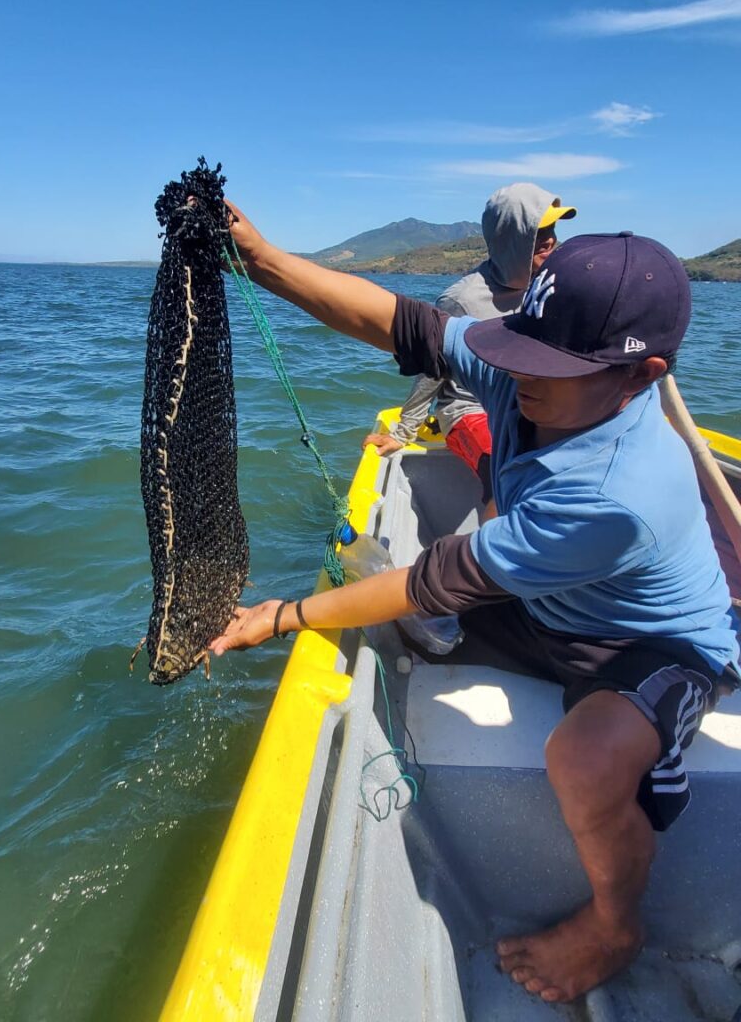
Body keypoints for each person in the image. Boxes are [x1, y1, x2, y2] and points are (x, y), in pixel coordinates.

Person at [211, 204, 740, 1004]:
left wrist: (283, 617)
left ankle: (615, 924)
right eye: (519, 347)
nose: (518, 374)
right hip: (555, 609)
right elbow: (401, 321)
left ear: (643, 376)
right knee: (409, 633)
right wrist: (259, 259)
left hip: (649, 647)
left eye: (550, 366)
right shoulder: (529, 369)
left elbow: (436, 577)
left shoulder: (611, 496)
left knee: (584, 759)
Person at [363, 184, 577, 501]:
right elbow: (431, 369)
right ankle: (489, 548)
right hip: (470, 409)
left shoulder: (548, 288)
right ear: (511, 237)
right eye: (538, 229)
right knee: (504, 474)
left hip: (530, 405)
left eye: (553, 228)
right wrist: (404, 431)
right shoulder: (462, 300)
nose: (550, 239)